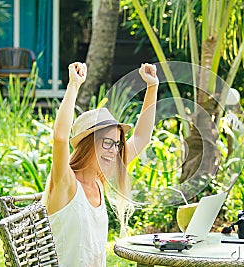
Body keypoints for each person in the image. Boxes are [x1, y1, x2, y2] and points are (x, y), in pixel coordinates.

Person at [42, 62, 159, 267]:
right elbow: (60, 137)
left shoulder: (98, 181)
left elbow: (141, 138)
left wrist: (152, 87)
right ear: (88, 144)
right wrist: (74, 85)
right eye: (107, 142)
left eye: (117, 143)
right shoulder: (65, 183)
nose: (114, 150)